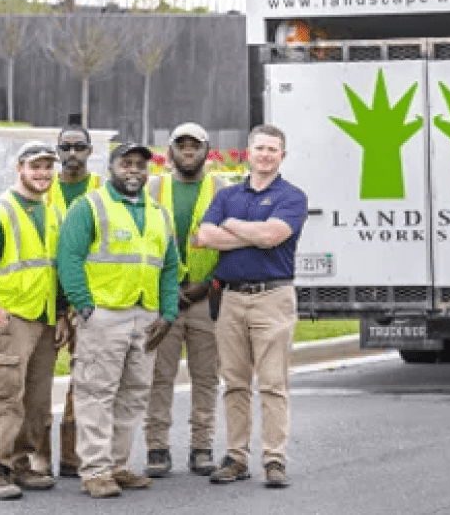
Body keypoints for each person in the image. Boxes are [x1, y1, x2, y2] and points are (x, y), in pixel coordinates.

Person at [56, 140, 180, 498]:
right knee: (96, 394)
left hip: (146, 317)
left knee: (134, 394)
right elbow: (69, 257)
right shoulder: (90, 207)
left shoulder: (159, 213)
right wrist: (83, 306)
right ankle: (94, 471)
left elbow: (169, 268)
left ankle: (118, 465)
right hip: (103, 315)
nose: (134, 171)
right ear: (111, 167)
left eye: (141, 165)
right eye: (126, 163)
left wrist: (168, 313)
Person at [197, 124, 308, 489]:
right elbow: (204, 236)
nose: (265, 155)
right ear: (248, 152)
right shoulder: (228, 194)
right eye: (259, 148)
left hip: (272, 298)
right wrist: (250, 232)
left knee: (274, 383)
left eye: (272, 150)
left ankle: (274, 460)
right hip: (230, 298)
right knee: (235, 383)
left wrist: (230, 226)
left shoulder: (292, 196)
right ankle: (235, 457)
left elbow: (272, 236)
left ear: (282, 156)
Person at [0, 141, 71, 500]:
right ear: (19, 169)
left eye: (47, 167)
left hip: (42, 320)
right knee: (6, 396)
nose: (43, 174)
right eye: (35, 167)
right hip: (9, 321)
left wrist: (58, 314)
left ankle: (22, 463)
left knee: (37, 400)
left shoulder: (52, 213)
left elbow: (54, 270)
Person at [144, 123, 227, 478]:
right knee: (158, 377)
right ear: (171, 150)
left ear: (207, 150)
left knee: (205, 378)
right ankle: (157, 449)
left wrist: (206, 285)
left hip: (207, 299)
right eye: (182, 144)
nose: (188, 150)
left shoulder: (222, 190)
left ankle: (202, 448)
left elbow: (231, 243)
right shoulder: (153, 187)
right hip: (164, 301)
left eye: (196, 144)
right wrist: (167, 293)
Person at [33, 123, 102, 479]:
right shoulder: (42, 194)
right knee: (39, 382)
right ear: (57, 151)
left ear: (90, 151)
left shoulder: (103, 191)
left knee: (85, 382)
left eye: (79, 147)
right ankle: (38, 456)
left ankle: (73, 457)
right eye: (65, 147)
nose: (72, 154)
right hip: (45, 302)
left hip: (86, 302)